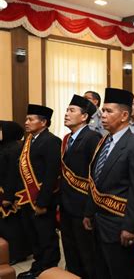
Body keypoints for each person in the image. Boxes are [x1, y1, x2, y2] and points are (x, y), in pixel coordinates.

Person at [83, 88, 134, 279]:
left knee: (122, 272)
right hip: (98, 221)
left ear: (124, 115)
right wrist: (89, 212)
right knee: (101, 271)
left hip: (119, 225)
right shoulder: (103, 141)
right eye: (102, 111)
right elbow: (95, 181)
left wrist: (131, 226)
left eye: (108, 111)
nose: (102, 115)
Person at [16, 104, 62, 279]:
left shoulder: (51, 141)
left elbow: (52, 174)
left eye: (31, 119)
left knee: (46, 237)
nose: (26, 122)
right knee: (34, 236)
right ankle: (37, 267)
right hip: (28, 198)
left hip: (43, 200)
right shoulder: (29, 140)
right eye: (27, 119)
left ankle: (48, 269)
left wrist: (42, 202)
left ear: (43, 122)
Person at [60, 95, 102, 278]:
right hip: (66, 206)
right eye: (67, 110)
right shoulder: (66, 138)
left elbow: (95, 176)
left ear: (84, 117)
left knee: (87, 254)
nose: (66, 114)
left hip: (83, 206)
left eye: (72, 110)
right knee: (70, 251)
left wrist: (89, 210)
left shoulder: (93, 137)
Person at [0, 121, 31, 265]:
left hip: (9, 193)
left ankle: (17, 253)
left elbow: (13, 175)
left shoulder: (14, 149)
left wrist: (8, 197)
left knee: (12, 226)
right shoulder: (4, 147)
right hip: (2, 190)